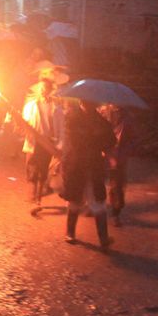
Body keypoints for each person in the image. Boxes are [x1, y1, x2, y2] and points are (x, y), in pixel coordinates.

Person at [61, 99, 115, 250]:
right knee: (75, 200)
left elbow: (110, 141)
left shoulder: (101, 122)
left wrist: (100, 136)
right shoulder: (73, 119)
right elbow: (73, 140)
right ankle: (70, 233)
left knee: (97, 202)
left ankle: (102, 239)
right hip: (78, 165)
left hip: (92, 166)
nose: (85, 105)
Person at [20, 61, 68, 208]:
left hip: (47, 143)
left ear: (49, 90)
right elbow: (24, 123)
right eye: (41, 88)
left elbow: (60, 129)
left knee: (42, 171)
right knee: (31, 168)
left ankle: (38, 198)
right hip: (33, 142)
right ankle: (33, 191)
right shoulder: (30, 106)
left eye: (45, 88)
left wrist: (59, 145)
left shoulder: (56, 108)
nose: (42, 90)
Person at [99, 104, 133, 226]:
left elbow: (132, 139)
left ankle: (116, 213)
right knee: (97, 182)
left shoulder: (127, 117)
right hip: (103, 153)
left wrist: (125, 151)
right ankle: (96, 207)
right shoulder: (102, 112)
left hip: (119, 157)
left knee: (117, 186)